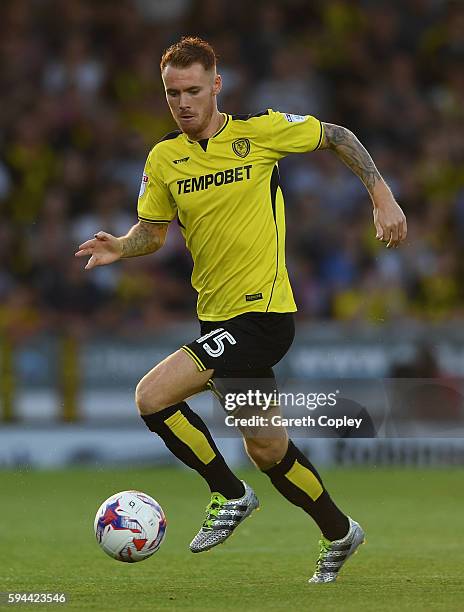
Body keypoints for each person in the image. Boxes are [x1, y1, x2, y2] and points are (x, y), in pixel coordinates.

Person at [75, 36, 407, 583]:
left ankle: (229, 495)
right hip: (217, 317)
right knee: (268, 448)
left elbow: (338, 136)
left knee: (151, 396)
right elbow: (154, 232)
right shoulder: (164, 159)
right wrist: (122, 247)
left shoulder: (259, 133)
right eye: (172, 93)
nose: (182, 103)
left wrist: (382, 195)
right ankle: (340, 531)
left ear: (217, 86)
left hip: (264, 317)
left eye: (193, 90)